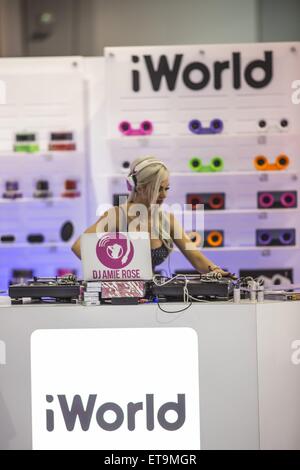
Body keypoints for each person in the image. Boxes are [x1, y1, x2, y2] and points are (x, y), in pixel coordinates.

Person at [71, 156, 232, 277]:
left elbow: (195, 256)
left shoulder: (167, 219)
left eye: (166, 189)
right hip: (118, 299)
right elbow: (78, 247)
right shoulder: (117, 215)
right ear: (138, 188)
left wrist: (215, 271)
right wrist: (111, 273)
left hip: (152, 297)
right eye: (157, 189)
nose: (163, 195)